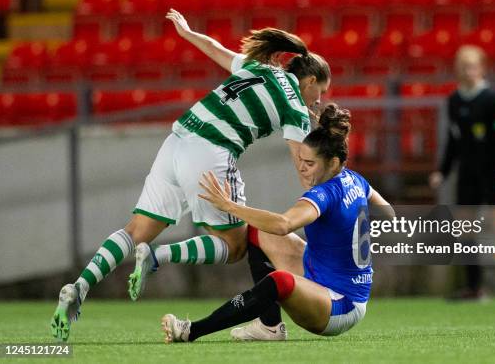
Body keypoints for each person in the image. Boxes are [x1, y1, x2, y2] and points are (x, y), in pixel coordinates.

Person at [50, 9, 331, 342]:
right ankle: (157, 256)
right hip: (210, 151)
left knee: (137, 229)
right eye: (321, 92)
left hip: (177, 140)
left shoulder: (259, 67)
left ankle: (79, 286)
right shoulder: (296, 106)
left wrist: (186, 32)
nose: (320, 99)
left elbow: (216, 49)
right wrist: (327, 182)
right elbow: (303, 165)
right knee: (236, 244)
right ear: (310, 81)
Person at [160, 104, 391, 342]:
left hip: (339, 305)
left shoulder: (323, 195)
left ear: (332, 163)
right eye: (301, 160)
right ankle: (269, 326)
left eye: (309, 163)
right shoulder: (355, 179)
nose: (301, 168)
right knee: (257, 231)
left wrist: (230, 206)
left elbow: (283, 224)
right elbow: (389, 214)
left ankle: (191, 331)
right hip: (326, 277)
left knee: (279, 280)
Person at [428, 45, 495, 301]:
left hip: (491, 173)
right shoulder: (454, 101)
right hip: (467, 174)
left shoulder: (492, 99)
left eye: (473, 67)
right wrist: (443, 171)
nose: (468, 72)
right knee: (465, 228)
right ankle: (475, 287)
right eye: (463, 67)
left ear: (482, 68)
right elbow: (453, 140)